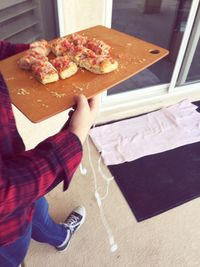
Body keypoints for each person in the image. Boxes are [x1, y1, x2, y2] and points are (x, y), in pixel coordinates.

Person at [0, 40, 100, 267]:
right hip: (3, 233)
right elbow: (5, 193)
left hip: (14, 162)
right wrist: (75, 136)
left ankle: (62, 237)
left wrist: (32, 52)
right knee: (13, 252)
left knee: (37, 207)